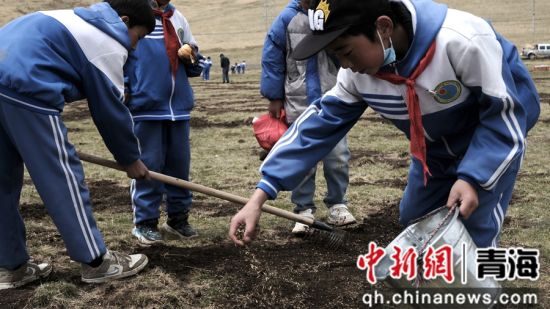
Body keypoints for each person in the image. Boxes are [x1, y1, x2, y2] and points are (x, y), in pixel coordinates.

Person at [229, 0, 540, 248]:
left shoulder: (461, 40)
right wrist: (260, 196)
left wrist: (473, 177)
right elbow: (315, 128)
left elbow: (508, 114)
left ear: (383, 26)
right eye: (336, 57)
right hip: (433, 155)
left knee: (473, 234)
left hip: (488, 146)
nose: (346, 65)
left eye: (346, 52)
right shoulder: (356, 75)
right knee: (415, 222)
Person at [0, 0, 155, 289]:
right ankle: (97, 262)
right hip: (27, 89)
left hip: (7, 81)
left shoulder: (73, 19)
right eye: (140, 37)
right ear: (124, 22)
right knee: (61, 176)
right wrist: (130, 158)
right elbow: (110, 112)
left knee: (2, 183)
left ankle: (10, 267)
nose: (136, 47)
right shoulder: (108, 41)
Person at [260, 0, 355, 235]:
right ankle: (302, 210)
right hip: (297, 100)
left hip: (331, 97)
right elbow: (272, 58)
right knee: (302, 160)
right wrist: (274, 96)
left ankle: (338, 204)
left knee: (338, 156)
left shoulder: (330, 12)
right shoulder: (286, 19)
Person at [124, 0, 203, 245]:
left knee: (180, 165)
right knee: (149, 165)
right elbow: (124, 55)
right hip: (146, 106)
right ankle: (145, 222)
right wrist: (128, 88)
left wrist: (191, 53)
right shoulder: (135, 15)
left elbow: (193, 54)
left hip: (178, 107)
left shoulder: (178, 18)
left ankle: (177, 219)